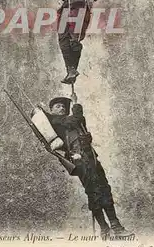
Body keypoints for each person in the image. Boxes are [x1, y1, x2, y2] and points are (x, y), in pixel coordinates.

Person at [46, 94, 129, 238]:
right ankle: (105, 229)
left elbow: (80, 121)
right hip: (80, 160)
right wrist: (76, 104)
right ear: (52, 110)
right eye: (57, 106)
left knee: (104, 189)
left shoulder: (68, 121)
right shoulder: (56, 120)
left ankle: (115, 226)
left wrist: (77, 111)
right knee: (94, 191)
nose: (61, 108)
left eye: (64, 107)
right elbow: (76, 118)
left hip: (90, 157)